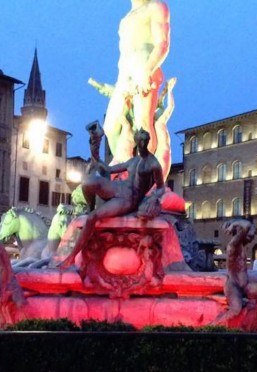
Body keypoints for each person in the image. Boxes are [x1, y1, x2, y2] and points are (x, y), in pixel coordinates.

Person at [58, 129, 165, 269]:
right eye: (139, 143)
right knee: (89, 182)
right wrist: (94, 151)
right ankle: (89, 207)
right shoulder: (134, 160)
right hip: (118, 187)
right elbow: (107, 170)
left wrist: (153, 198)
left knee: (93, 217)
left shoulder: (154, 164)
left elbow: (161, 187)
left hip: (129, 198)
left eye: (143, 142)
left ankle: (71, 257)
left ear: (147, 142)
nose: (141, 145)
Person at [101, 0, 170, 167]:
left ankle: (143, 169)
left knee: (143, 125)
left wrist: (148, 70)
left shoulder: (156, 6)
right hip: (124, 74)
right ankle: (124, 163)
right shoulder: (126, 18)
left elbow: (163, 43)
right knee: (110, 127)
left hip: (144, 67)